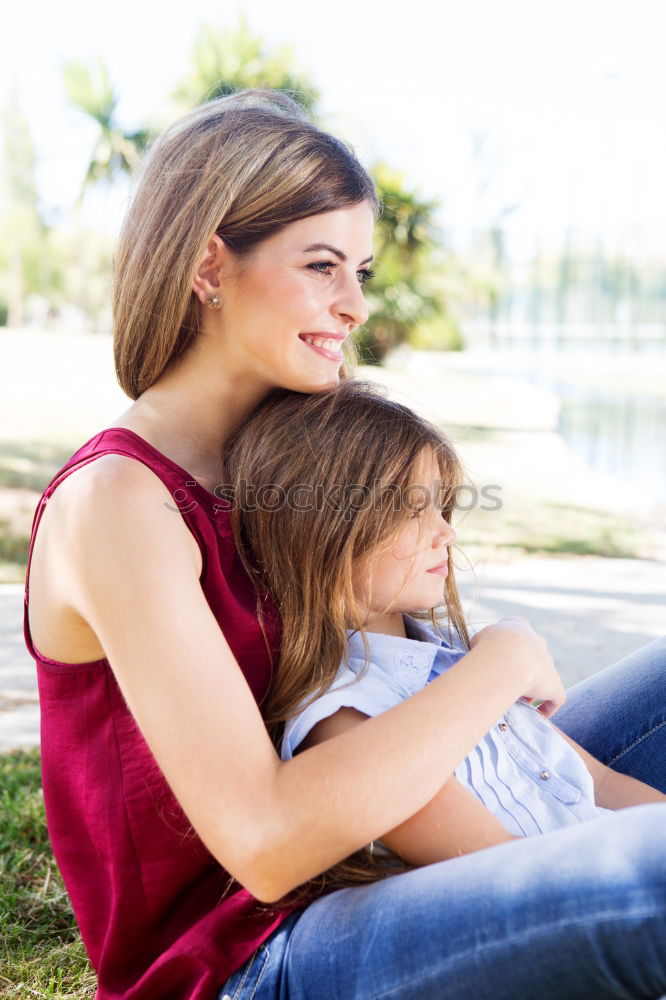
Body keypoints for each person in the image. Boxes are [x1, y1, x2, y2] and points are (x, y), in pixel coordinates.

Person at [22, 89, 666, 1000]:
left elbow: (406, 669)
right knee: (650, 881)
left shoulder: (293, 450)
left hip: (397, 842)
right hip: (255, 956)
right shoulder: (118, 502)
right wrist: (503, 660)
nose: (354, 304)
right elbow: (267, 843)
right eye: (322, 265)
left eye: (359, 269)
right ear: (210, 264)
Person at [223, 378, 664, 885]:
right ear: (324, 532)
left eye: (440, 504)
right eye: (413, 509)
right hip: (587, 900)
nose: (446, 531)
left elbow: (600, 782)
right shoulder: (345, 718)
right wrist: (507, 657)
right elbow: (519, 877)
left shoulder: (456, 653)